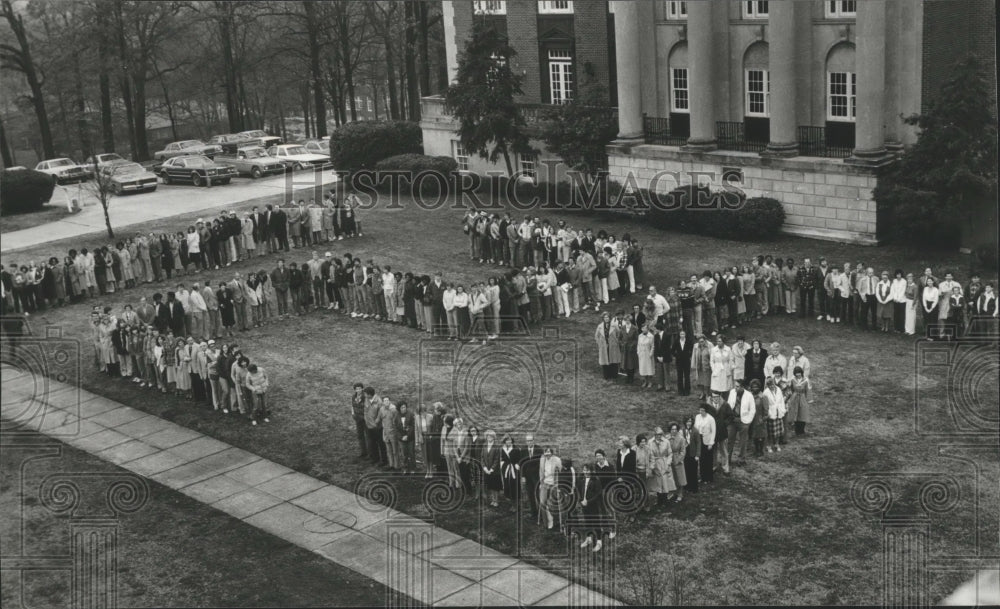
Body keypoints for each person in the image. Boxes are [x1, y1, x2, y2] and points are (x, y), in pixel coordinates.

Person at [647, 427, 676, 507]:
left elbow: (670, 453)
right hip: (655, 463)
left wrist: (668, 463)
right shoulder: (650, 442)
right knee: (658, 482)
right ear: (654, 434)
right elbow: (650, 454)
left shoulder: (666, 441)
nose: (659, 436)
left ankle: (665, 500)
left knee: (665, 481)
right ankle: (659, 500)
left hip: (664, 462)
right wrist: (652, 466)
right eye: (657, 435)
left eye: (660, 434)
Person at [594, 312, 622, 381]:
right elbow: (596, 336)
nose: (606, 319)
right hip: (603, 346)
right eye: (605, 317)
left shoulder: (614, 325)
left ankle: (614, 374)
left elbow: (619, 334)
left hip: (613, 345)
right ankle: (606, 375)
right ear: (603, 318)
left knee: (613, 360)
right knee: (605, 360)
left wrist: (617, 341)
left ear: (610, 318)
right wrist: (600, 344)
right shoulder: (600, 326)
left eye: (607, 317)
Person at [520, 435, 543, 518]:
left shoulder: (539, 449)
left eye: (531, 440)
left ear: (533, 440)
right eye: (528, 441)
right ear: (526, 441)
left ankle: (541, 514)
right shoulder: (523, 450)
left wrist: (541, 475)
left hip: (537, 476)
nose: (529, 442)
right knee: (530, 494)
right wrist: (523, 476)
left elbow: (541, 463)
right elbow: (522, 463)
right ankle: (534, 513)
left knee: (538, 494)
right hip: (527, 476)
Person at [786, 366, 813, 436]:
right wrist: (789, 396)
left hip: (802, 397)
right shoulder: (792, 379)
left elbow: (808, 390)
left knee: (802, 413)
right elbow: (790, 389)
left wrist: (809, 399)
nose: (798, 374)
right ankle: (796, 430)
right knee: (795, 412)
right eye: (796, 373)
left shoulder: (806, 380)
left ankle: (802, 430)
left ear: (802, 373)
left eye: (799, 373)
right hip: (794, 397)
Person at [763, 376, 787, 452]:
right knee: (770, 431)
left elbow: (782, 401)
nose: (771, 386)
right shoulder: (765, 392)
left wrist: (782, 410)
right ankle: (769, 445)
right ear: (767, 385)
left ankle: (776, 444)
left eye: (772, 384)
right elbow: (765, 405)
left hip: (778, 412)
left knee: (778, 431)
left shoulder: (779, 389)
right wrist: (769, 414)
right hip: (771, 413)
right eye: (769, 385)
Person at [694, 404, 716, 484]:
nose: (701, 412)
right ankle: (703, 477)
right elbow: (695, 428)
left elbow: (713, 432)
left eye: (703, 410)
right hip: (699, 440)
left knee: (708, 460)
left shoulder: (711, 419)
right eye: (700, 410)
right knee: (701, 459)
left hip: (707, 441)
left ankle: (708, 478)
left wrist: (711, 443)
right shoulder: (697, 417)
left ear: (706, 410)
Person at [499, 434, 521, 512]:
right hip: (506, 469)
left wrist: (517, 464)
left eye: (510, 440)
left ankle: (516, 505)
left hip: (514, 470)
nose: (509, 441)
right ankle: (512, 503)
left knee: (514, 486)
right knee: (507, 485)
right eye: (507, 440)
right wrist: (502, 465)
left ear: (512, 441)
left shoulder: (516, 449)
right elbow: (502, 459)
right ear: (504, 442)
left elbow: (520, 459)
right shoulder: (503, 449)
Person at [480, 430, 502, 507]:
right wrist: (485, 468)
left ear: (494, 437)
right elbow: (482, 457)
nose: (489, 437)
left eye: (491, 436)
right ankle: (492, 500)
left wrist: (492, 469)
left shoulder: (497, 446)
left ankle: (496, 501)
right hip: (486, 470)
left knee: (495, 486)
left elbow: (497, 459)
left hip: (494, 471)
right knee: (490, 485)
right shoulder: (484, 445)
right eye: (488, 436)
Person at [671, 329, 693, 395]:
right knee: (679, 376)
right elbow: (672, 350)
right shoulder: (676, 341)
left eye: (683, 334)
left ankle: (687, 390)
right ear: (679, 335)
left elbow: (692, 350)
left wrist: (689, 355)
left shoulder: (689, 341)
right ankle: (680, 390)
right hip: (679, 361)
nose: (682, 335)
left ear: (685, 335)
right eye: (681, 334)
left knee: (687, 376)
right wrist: (676, 355)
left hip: (686, 361)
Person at [691, 334, 712, 400]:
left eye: (702, 341)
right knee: (700, 382)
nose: (701, 343)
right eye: (700, 341)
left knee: (707, 382)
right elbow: (694, 356)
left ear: (705, 340)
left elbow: (712, 356)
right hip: (699, 367)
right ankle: (702, 393)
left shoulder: (709, 346)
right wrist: (693, 365)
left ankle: (707, 394)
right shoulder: (696, 346)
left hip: (707, 367)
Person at [637, 324, 656, 388]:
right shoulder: (640, 336)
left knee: (649, 368)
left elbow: (653, 346)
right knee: (643, 368)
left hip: (648, 354)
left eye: (645, 328)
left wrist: (651, 354)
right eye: (642, 328)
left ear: (647, 329)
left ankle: (650, 382)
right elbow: (638, 345)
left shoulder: (651, 336)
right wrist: (638, 352)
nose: (643, 329)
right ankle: (645, 381)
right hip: (642, 354)